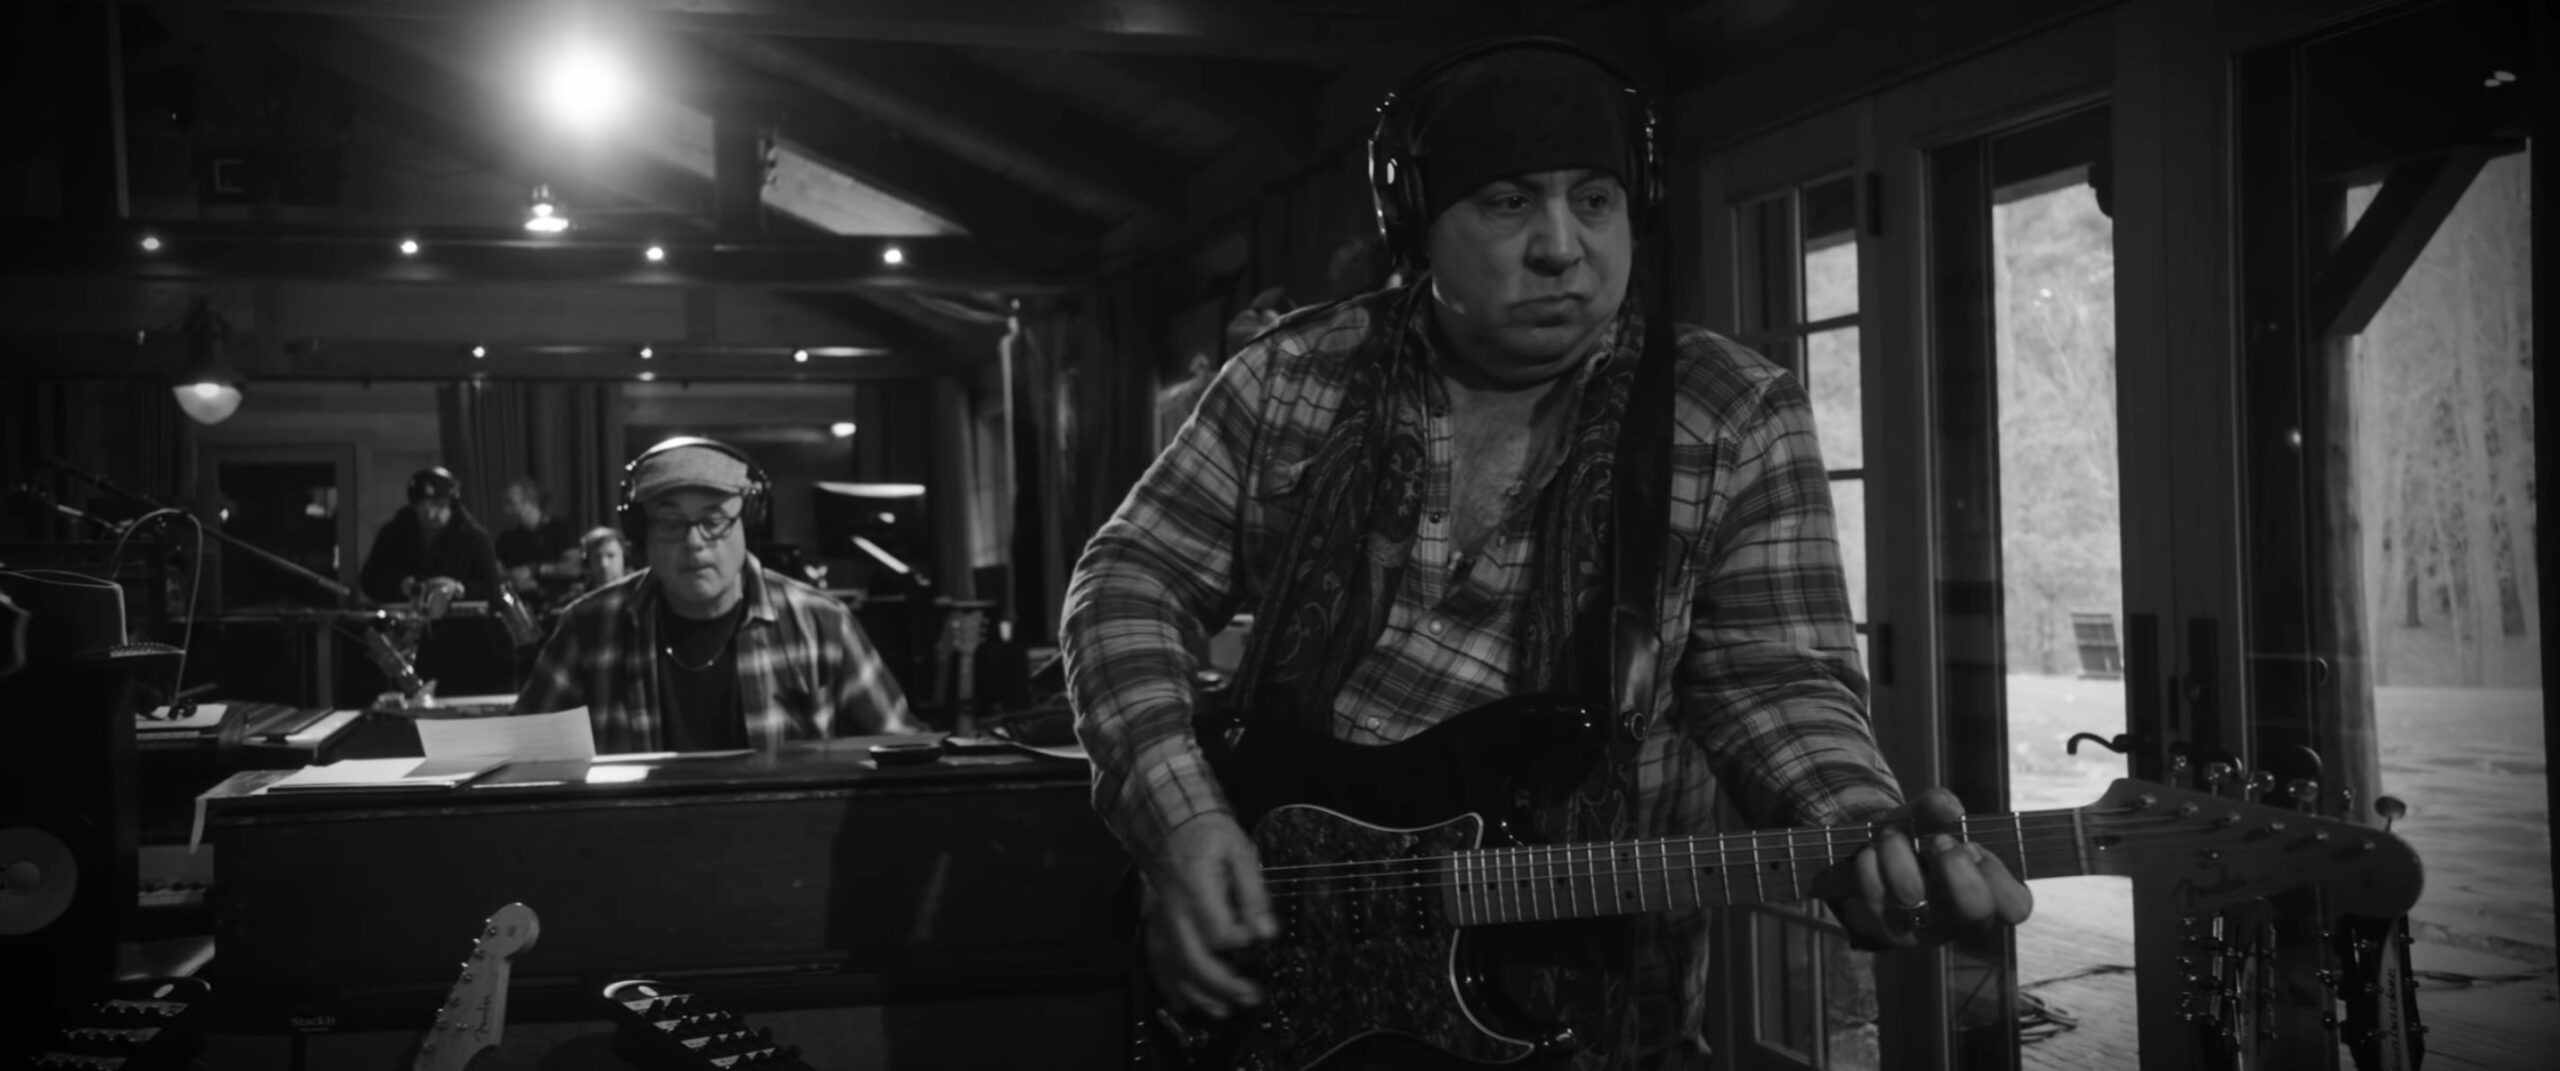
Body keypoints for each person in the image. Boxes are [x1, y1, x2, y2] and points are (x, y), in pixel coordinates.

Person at [1061, 38, 2031, 1069]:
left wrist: (1857, 825)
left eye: (1595, 201)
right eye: (1509, 202)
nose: (1563, 247)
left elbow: (1775, 682)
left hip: (1593, 1018)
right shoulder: (1290, 377)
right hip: (1274, 995)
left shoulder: (1732, 413)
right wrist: (1181, 820)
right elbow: (1129, 581)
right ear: (1414, 225)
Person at [515, 437, 920, 752]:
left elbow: (906, 758)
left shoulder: (823, 623)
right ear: (642, 535)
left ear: (748, 524)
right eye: (670, 522)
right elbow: (520, 762)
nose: (694, 542)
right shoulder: (587, 628)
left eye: (714, 519)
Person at [358, 466, 512, 697]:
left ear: (451, 504)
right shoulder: (394, 533)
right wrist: (401, 586)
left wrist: (458, 589)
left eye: (439, 507)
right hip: (406, 641)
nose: (431, 516)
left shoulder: (474, 537)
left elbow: (493, 591)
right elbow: (369, 580)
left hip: (464, 645)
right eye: (423, 509)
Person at [496, 477, 584, 611]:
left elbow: (573, 569)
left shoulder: (560, 529)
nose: (505, 510)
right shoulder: (505, 538)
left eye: (511, 504)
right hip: (521, 608)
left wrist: (534, 570)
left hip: (560, 606)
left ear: (530, 503)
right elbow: (495, 574)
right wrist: (513, 579)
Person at [578, 525, 630, 592]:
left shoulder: (641, 591)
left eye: (610, 555)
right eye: (597, 558)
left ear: (624, 557)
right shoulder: (578, 597)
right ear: (588, 563)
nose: (604, 564)